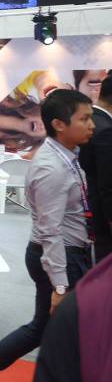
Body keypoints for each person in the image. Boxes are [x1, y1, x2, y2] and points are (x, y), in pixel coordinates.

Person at [0, 89, 95, 382]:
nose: (92, 125)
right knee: (61, 331)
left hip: (70, 254)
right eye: (85, 119)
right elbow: (50, 232)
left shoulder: (68, 156)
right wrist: (60, 284)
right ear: (59, 124)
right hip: (59, 257)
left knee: (47, 328)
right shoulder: (51, 167)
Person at [29, 253, 112, 382]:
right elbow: (51, 237)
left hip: (75, 261)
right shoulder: (87, 304)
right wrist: (60, 286)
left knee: (41, 329)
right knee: (40, 328)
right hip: (67, 262)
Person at [80, 74, 112, 261]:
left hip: (95, 206)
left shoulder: (95, 121)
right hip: (103, 213)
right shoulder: (105, 129)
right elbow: (107, 183)